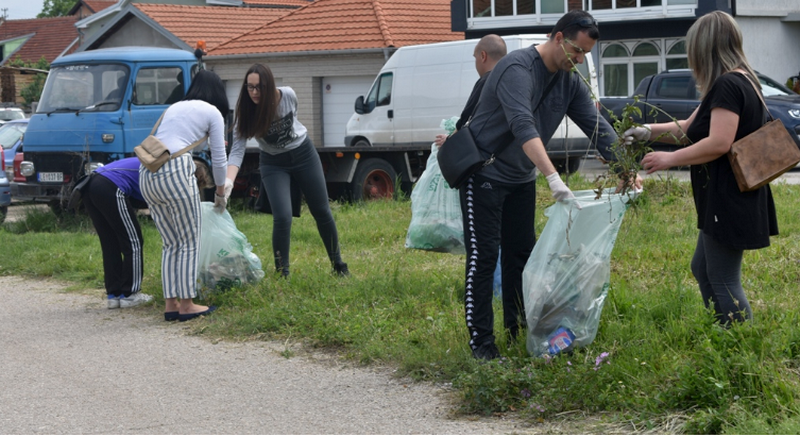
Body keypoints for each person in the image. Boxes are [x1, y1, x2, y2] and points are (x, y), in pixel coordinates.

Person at [459, 10, 642, 360]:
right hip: (484, 175)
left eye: (586, 54)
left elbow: (596, 125)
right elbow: (522, 124)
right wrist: (553, 177)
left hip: (519, 179)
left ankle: (516, 329)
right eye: (577, 51)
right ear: (559, 38)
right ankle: (482, 344)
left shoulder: (569, 81)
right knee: (484, 259)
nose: (580, 60)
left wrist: (626, 168)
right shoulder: (516, 68)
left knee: (521, 257)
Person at [627, 11, 777, 325]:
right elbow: (688, 128)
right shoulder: (740, 80)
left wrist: (667, 159)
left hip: (729, 196)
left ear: (704, 48)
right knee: (702, 268)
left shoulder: (728, 85)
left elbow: (719, 143)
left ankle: (738, 342)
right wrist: (647, 131)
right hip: (726, 196)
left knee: (723, 278)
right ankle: (722, 330)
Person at [227, 63, 349, 278]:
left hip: (303, 154)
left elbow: (295, 123)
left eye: (259, 87)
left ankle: (338, 263)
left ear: (269, 85)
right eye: (250, 87)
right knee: (282, 216)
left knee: (321, 210)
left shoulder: (288, 95)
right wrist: (228, 182)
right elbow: (237, 150)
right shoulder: (246, 112)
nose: (254, 93)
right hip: (273, 163)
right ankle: (283, 273)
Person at [139, 69, 229, 322]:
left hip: (147, 172)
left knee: (171, 243)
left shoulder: (174, 107)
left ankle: (171, 304)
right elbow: (219, 159)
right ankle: (187, 305)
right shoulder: (213, 112)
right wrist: (220, 193)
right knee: (189, 241)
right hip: (176, 169)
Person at [82, 157, 153, 310]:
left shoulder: (147, 161)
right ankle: (130, 294)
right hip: (110, 186)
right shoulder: (163, 171)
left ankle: (114, 295)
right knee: (133, 241)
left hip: (90, 184)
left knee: (110, 242)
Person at [434, 34, 507, 147]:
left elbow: (467, 117)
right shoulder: (512, 79)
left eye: (475, 57)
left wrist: (449, 140)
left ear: (483, 56)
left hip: (488, 151)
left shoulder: (486, 81)